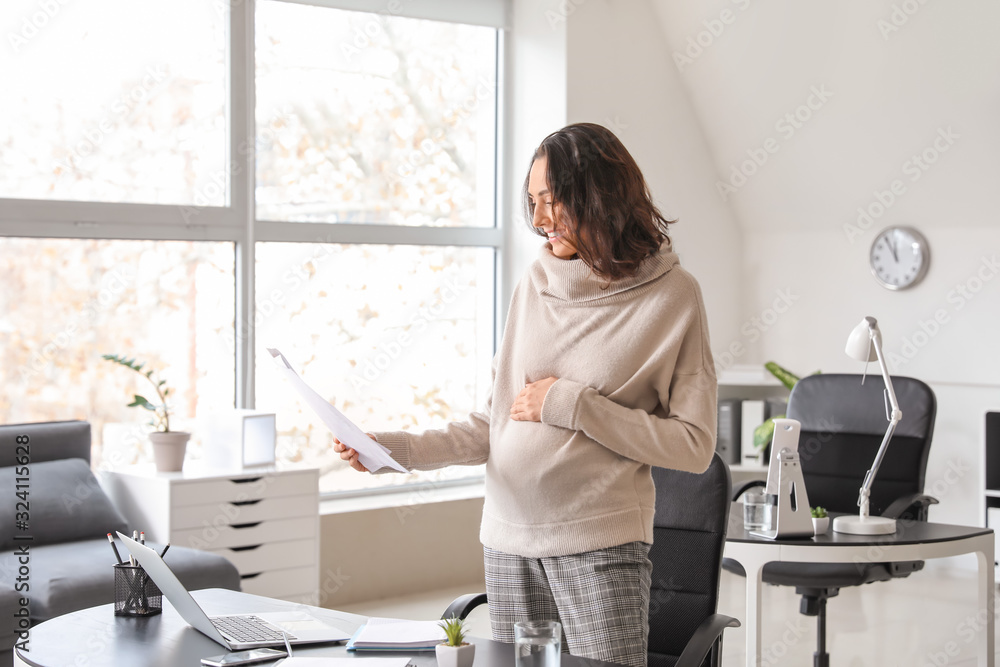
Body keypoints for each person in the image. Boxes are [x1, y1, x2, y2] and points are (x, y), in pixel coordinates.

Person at [334, 122, 717, 667]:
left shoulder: (674, 297)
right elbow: (493, 425)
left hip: (599, 546)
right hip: (509, 543)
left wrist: (572, 405)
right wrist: (390, 451)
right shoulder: (532, 285)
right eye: (532, 202)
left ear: (601, 197)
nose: (538, 221)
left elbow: (694, 445)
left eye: (552, 202)